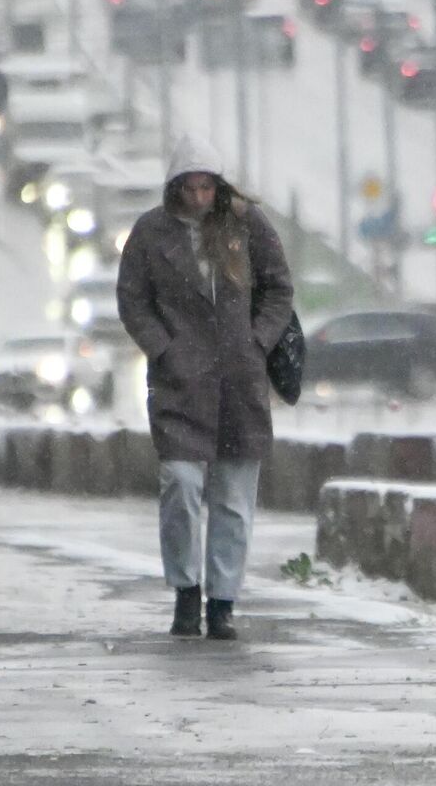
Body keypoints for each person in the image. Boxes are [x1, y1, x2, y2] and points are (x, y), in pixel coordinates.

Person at [116, 137, 293, 640]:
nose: (198, 198)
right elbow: (133, 299)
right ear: (174, 187)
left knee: (235, 498)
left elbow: (279, 288)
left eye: (206, 187)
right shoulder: (151, 232)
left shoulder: (246, 225)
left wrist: (257, 341)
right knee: (181, 484)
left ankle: (222, 602)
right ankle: (185, 589)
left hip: (240, 381)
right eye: (189, 188)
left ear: (220, 186)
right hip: (179, 384)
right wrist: (164, 348)